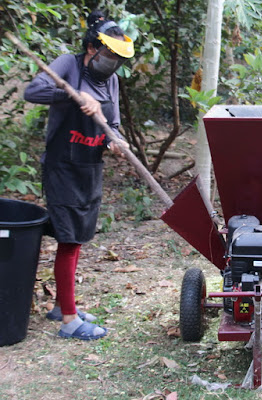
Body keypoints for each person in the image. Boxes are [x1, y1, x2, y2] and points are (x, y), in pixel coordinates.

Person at [24, 10, 134, 340]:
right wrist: (73, 96)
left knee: (77, 238)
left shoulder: (110, 80)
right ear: (92, 49)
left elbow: (110, 125)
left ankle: (61, 304)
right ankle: (70, 321)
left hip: (90, 167)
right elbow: (33, 92)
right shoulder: (68, 65)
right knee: (69, 241)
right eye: (109, 54)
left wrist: (116, 141)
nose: (112, 62)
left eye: (117, 58)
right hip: (62, 166)